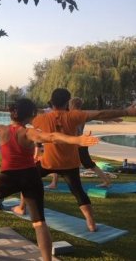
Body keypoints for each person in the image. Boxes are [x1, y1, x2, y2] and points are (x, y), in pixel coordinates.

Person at [0, 98, 100, 261]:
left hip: (9, 177)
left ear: (12, 114)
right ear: (30, 116)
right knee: (39, 222)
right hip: (31, 176)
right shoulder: (28, 132)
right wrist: (77, 140)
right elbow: (52, 137)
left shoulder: (2, 129)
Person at [13, 88, 136, 232]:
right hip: (70, 164)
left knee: (27, 181)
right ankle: (91, 224)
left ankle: (21, 208)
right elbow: (100, 113)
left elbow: (25, 118)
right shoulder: (73, 116)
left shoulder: (41, 119)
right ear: (67, 103)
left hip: (48, 162)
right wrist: (126, 111)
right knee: (78, 192)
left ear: (51, 102)